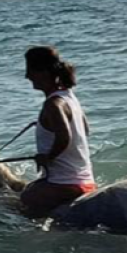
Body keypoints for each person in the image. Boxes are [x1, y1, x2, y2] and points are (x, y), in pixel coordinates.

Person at [19, 45, 96, 218]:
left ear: (44, 72)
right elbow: (85, 129)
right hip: (86, 180)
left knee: (24, 203)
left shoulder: (52, 104)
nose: (27, 76)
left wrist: (47, 157)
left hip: (64, 185)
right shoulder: (69, 96)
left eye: (30, 70)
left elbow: (64, 137)